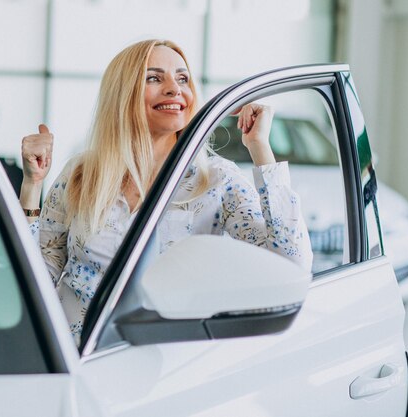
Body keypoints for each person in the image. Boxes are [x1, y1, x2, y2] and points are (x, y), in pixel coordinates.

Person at [20, 39, 313, 343]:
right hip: (73, 357)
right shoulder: (81, 173)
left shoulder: (217, 180)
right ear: (123, 94)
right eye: (154, 77)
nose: (175, 89)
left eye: (182, 78)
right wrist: (32, 185)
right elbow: (36, 275)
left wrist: (259, 148)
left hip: (165, 366)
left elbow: (291, 264)